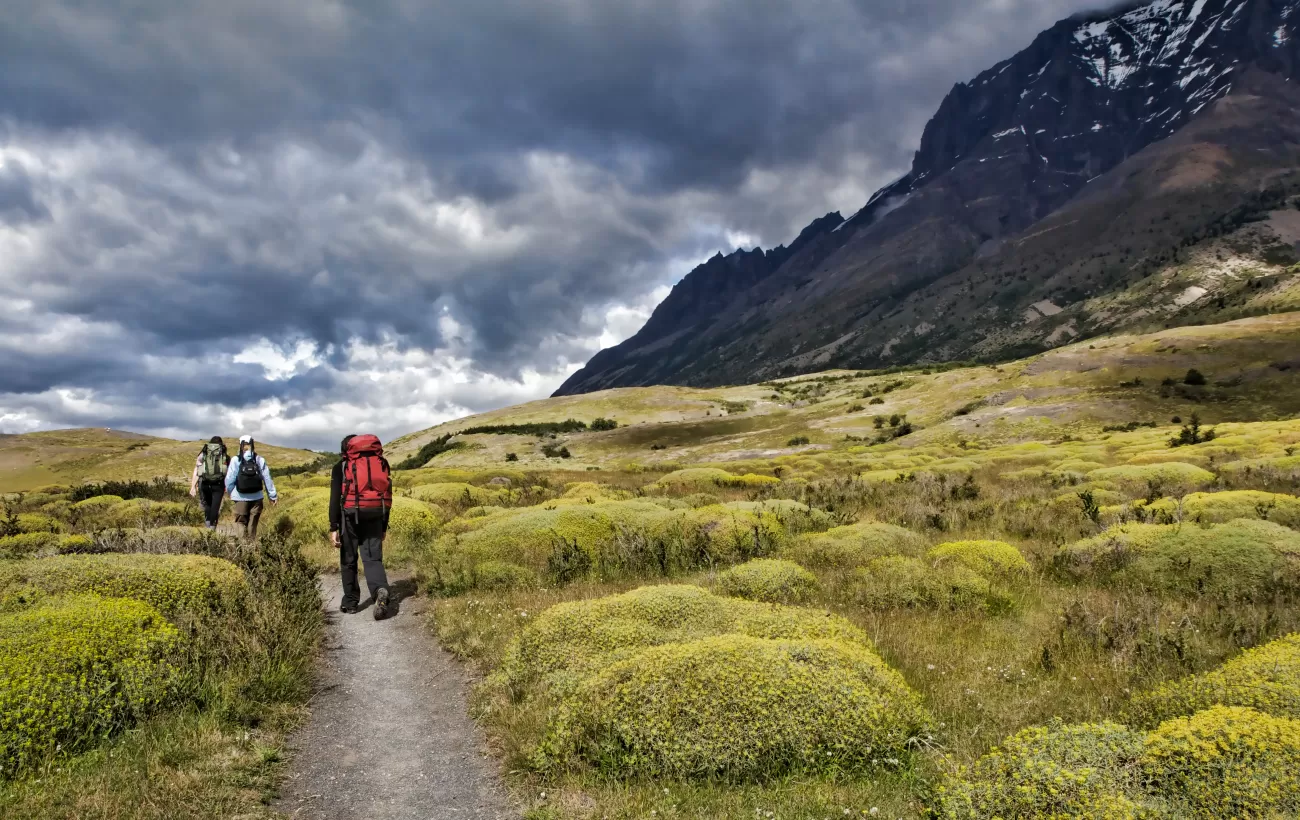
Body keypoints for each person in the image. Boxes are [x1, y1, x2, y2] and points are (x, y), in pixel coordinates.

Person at [329, 433, 392, 619]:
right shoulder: (379, 463)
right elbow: (386, 496)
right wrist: (383, 526)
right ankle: (380, 589)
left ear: (345, 451)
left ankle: (350, 603)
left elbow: (334, 499)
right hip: (375, 514)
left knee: (349, 559)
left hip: (348, 517)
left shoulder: (340, 467)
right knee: (373, 558)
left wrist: (333, 527)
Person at [224, 434, 277, 540]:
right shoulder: (259, 460)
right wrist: (272, 496)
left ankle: (241, 548)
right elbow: (267, 478)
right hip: (257, 498)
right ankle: (251, 547)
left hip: (240, 497)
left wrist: (230, 492)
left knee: (240, 524)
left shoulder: (236, 460)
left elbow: (230, 479)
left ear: (240, 445)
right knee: (252, 525)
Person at [189, 436, 229, 530]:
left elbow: (197, 470)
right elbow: (228, 473)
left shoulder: (204, 454)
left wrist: (193, 486)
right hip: (219, 484)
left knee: (207, 505)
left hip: (205, 483)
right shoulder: (224, 455)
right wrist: (229, 487)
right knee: (216, 506)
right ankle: (212, 528)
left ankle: (207, 527)